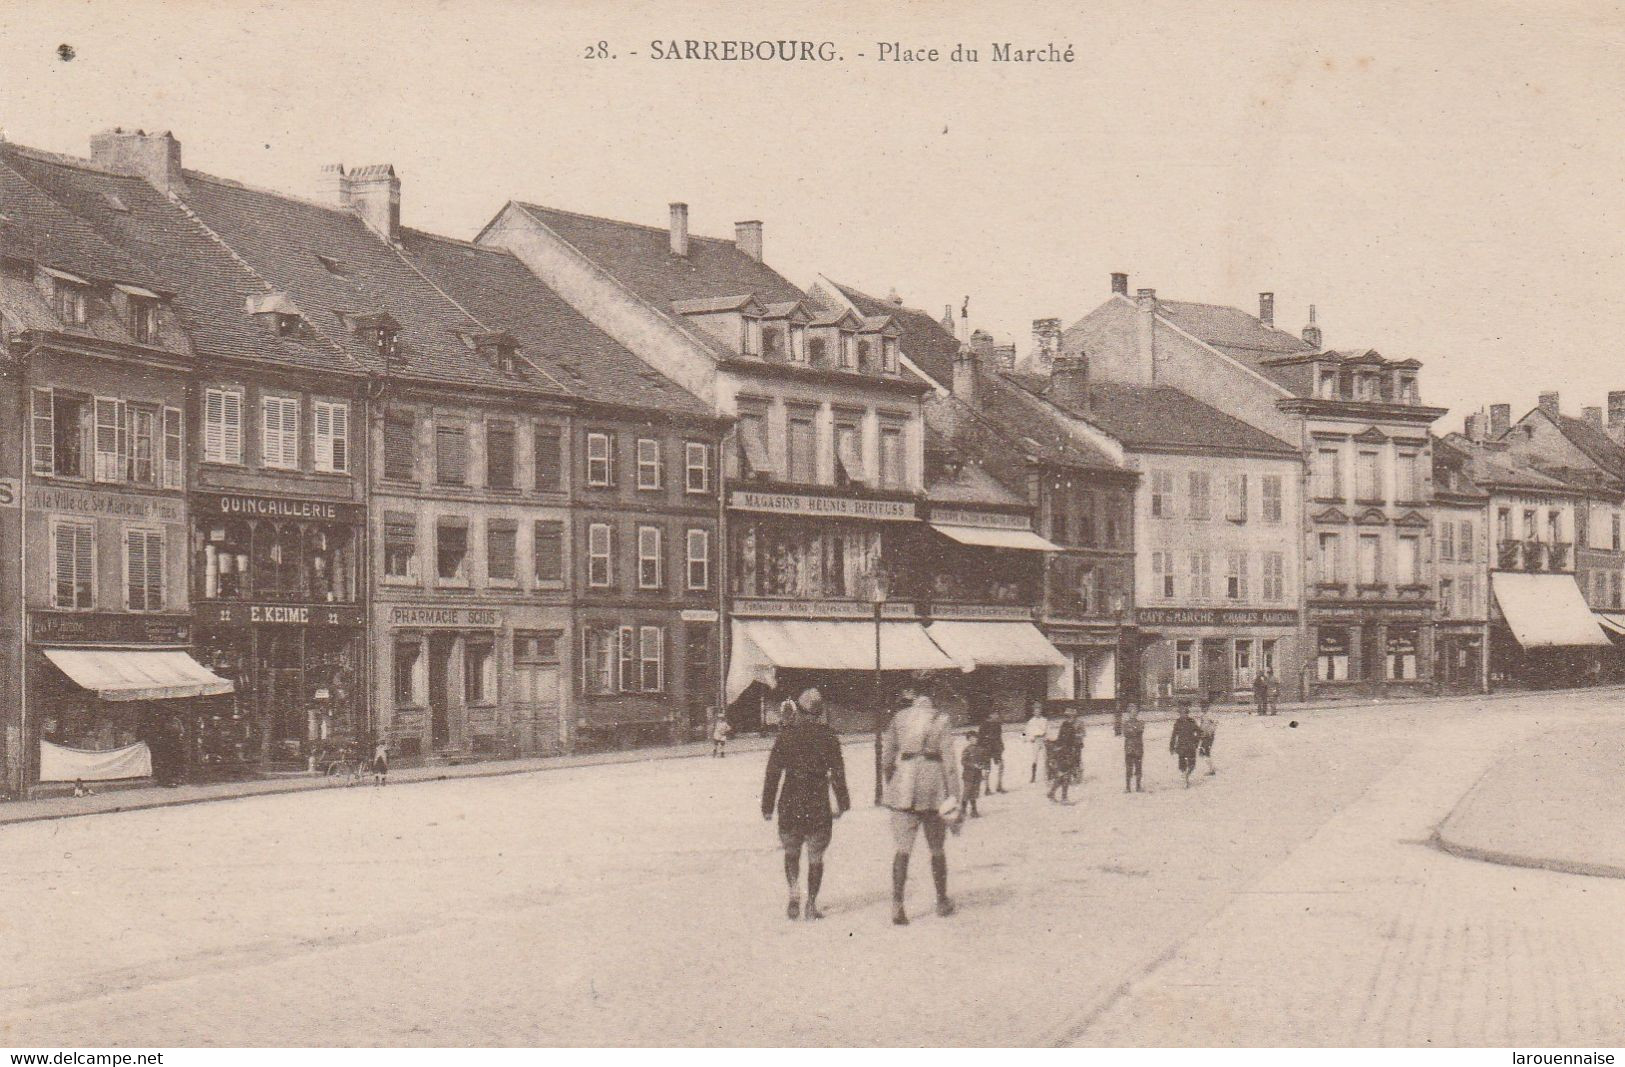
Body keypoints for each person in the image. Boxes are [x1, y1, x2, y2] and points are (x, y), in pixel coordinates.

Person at [761, 688, 850, 921]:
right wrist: (843, 802)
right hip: (817, 800)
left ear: (799, 710)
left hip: (791, 799)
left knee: (791, 850)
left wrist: (767, 806)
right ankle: (811, 904)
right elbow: (838, 773)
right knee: (816, 855)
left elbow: (773, 773)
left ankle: (793, 892)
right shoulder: (829, 736)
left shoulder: (786, 735)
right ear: (819, 712)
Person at [881, 676, 961, 925]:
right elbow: (949, 765)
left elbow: (886, 757)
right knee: (937, 848)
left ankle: (897, 905)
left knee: (902, 850)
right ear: (934, 696)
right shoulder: (943, 720)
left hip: (904, 786)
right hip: (934, 787)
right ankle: (941, 900)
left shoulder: (900, 718)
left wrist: (892, 780)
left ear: (914, 696)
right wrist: (954, 798)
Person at [1046, 713, 1080, 803]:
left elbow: (1060, 740)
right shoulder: (1069, 727)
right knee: (1066, 776)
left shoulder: (1064, 726)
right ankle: (1063, 798)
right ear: (1070, 717)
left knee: (1062, 775)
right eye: (1073, 717)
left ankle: (1052, 793)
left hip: (1062, 753)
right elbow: (1067, 742)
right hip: (1065, 754)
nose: (1074, 718)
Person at [1169, 702, 1201, 788]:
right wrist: (1171, 747)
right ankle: (1185, 779)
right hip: (1181, 746)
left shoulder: (1192, 721)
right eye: (1181, 713)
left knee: (1192, 765)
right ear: (1179, 714)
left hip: (1191, 746)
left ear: (1187, 713)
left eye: (1185, 713)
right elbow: (1173, 736)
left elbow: (1199, 732)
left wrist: (1196, 742)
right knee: (1182, 765)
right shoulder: (1177, 723)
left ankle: (1186, 775)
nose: (1183, 715)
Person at [976, 713, 1006, 794]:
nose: (997, 716)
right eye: (995, 714)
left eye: (997, 714)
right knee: (987, 769)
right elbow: (979, 740)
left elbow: (999, 737)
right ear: (991, 715)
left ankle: (999, 786)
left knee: (1001, 766)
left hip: (996, 749)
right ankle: (987, 789)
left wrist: (1001, 746)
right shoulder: (983, 725)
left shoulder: (998, 725)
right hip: (987, 749)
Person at [1023, 701, 1050, 784]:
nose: (1037, 712)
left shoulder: (1044, 720)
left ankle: (1048, 775)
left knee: (1046, 758)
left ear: (1041, 711)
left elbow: (1048, 730)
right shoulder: (1031, 721)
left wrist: (1047, 738)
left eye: (1039, 710)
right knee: (1035, 759)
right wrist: (1025, 738)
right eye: (1035, 710)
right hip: (1036, 740)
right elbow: (1025, 731)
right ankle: (1033, 777)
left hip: (1043, 739)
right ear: (1033, 712)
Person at [959, 733, 985, 817]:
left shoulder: (981, 749)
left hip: (977, 774)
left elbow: (983, 759)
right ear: (968, 740)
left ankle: (974, 811)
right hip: (968, 775)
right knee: (967, 792)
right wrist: (973, 765)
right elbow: (963, 761)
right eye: (972, 739)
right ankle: (963, 810)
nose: (974, 740)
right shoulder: (967, 749)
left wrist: (982, 765)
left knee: (974, 792)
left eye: (975, 738)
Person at [1121, 704, 1145, 793]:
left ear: (1137, 714)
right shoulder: (1125, 723)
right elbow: (1126, 733)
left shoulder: (1140, 723)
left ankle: (1138, 786)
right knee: (1128, 769)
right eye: (1131, 712)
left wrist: (1132, 730)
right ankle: (1128, 787)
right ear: (1128, 713)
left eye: (1135, 712)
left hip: (1138, 748)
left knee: (1138, 768)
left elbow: (1140, 731)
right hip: (1129, 749)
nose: (1133, 714)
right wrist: (1133, 730)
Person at [1198, 705, 1218, 776]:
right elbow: (1202, 726)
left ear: (1207, 707)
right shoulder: (1203, 716)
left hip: (1208, 736)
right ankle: (1212, 767)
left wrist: (1210, 732)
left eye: (1204, 707)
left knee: (1205, 752)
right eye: (1202, 707)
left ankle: (1212, 770)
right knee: (1202, 752)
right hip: (1204, 736)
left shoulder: (1209, 715)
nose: (1202, 708)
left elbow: (1215, 723)